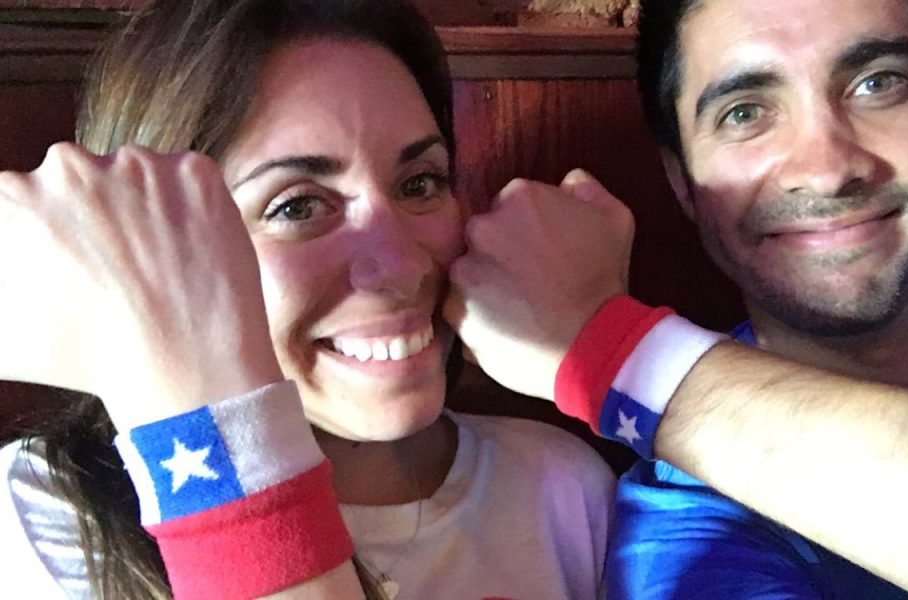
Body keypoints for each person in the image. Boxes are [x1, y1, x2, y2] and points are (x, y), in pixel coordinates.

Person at [0, 0, 616, 598]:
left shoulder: (558, 486)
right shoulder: (46, 512)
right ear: (152, 244)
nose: (402, 268)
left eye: (420, 183)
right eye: (296, 206)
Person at [445, 0, 908, 598]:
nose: (828, 170)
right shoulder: (686, 536)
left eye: (877, 84)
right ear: (682, 183)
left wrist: (616, 355)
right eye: (744, 113)